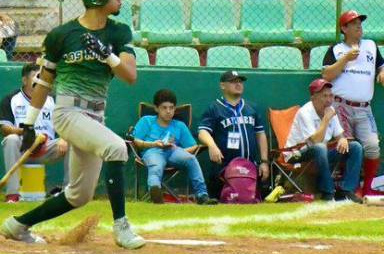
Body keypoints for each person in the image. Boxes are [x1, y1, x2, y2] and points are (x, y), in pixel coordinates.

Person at [0, 0, 145, 249]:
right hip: (68, 113)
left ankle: (17, 225)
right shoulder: (62, 35)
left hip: (95, 115)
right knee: (117, 148)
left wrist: (107, 54)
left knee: (79, 195)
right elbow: (44, 81)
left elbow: (130, 76)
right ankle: (122, 227)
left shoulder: (118, 31)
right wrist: (29, 124)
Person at [322, 10, 384, 197]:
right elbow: (326, 75)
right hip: (341, 106)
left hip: (365, 108)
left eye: (360, 22)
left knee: (372, 147)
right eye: (353, 23)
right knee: (347, 147)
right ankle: (348, 188)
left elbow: (381, 65)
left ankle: (367, 188)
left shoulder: (371, 46)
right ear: (344, 28)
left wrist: (382, 72)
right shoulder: (336, 49)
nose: (359, 26)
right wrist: (345, 59)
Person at [0, 63, 68, 203]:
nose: (40, 80)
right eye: (36, 77)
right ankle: (13, 194)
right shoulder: (11, 99)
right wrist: (24, 131)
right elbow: (5, 128)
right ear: (25, 80)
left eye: (43, 77)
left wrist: (64, 138)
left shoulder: (53, 99)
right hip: (22, 149)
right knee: (11, 139)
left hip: (47, 148)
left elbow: (66, 123)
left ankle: (69, 192)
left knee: (74, 142)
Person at [133, 89, 217, 205]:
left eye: (171, 108)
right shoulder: (146, 121)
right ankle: (155, 192)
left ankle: (202, 196)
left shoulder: (179, 125)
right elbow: (134, 140)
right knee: (156, 166)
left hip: (173, 152)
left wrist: (177, 149)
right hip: (152, 151)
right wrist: (153, 144)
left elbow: (193, 146)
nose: (168, 111)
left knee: (191, 159)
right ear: (156, 108)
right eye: (164, 108)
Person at [285, 79, 363, 203]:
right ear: (313, 98)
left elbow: (339, 135)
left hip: (320, 155)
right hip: (296, 155)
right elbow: (316, 141)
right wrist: (326, 119)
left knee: (355, 147)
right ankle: (328, 192)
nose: (329, 100)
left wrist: (342, 139)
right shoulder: (305, 112)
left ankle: (346, 191)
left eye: (331, 95)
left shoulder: (330, 110)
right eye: (324, 96)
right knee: (320, 147)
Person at [198, 71, 270, 199]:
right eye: (233, 81)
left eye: (240, 81)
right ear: (222, 86)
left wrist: (264, 161)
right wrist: (212, 145)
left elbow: (260, 134)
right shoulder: (214, 108)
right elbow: (203, 131)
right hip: (224, 169)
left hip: (250, 168)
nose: (238, 84)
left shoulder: (251, 107)